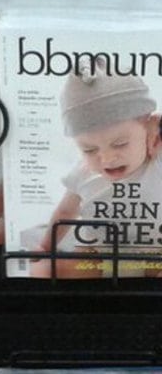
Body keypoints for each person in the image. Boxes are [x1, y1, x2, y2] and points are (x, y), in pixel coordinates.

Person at [31, 57, 162, 278]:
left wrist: (158, 123)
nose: (107, 158)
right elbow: (65, 212)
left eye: (120, 143)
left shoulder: (156, 157)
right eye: (89, 149)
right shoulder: (83, 172)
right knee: (42, 271)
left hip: (155, 260)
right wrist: (45, 245)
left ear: (148, 130)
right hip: (98, 259)